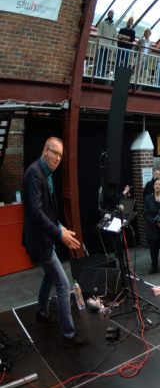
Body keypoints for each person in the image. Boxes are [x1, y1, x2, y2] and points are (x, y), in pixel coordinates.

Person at [22, 137, 89, 346]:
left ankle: (42, 311)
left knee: (49, 278)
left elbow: (49, 212)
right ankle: (69, 335)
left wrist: (60, 227)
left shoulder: (47, 174)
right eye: (55, 153)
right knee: (62, 283)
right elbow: (36, 212)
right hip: (39, 240)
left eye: (61, 155)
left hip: (46, 236)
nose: (58, 158)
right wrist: (59, 234)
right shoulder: (34, 173)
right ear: (45, 151)